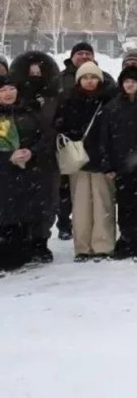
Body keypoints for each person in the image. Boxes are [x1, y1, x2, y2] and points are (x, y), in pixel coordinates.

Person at [55, 61, 115, 262]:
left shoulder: (107, 101)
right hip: (78, 159)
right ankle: (82, 247)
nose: (89, 81)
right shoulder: (69, 101)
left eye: (93, 77)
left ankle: (103, 245)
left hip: (101, 159)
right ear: (79, 80)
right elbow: (60, 127)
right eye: (85, 77)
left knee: (102, 204)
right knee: (80, 207)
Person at [9, 51, 61, 259]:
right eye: (31, 70)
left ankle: (41, 241)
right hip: (20, 158)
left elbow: (56, 125)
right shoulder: (16, 100)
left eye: (39, 70)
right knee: (22, 203)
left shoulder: (54, 97)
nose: (35, 73)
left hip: (46, 157)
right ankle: (23, 241)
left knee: (47, 202)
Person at [98, 66, 137, 260]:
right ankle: (127, 240)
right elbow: (104, 138)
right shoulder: (112, 107)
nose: (130, 85)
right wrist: (107, 165)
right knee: (124, 205)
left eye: (133, 81)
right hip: (121, 166)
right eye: (126, 81)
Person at [0, 75, 44, 272]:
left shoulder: (28, 112)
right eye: (2, 90)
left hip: (26, 171)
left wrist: (31, 151)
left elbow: (43, 137)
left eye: (11, 89)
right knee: (5, 216)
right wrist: (7, 156)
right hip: (3, 172)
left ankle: (22, 254)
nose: (8, 93)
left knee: (23, 213)